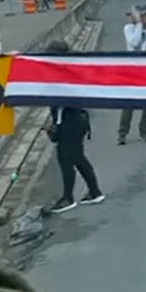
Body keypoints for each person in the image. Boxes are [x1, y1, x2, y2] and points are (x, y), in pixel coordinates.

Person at [44, 40, 104, 214]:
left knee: (65, 159)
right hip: (78, 120)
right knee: (78, 157)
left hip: (70, 121)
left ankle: (68, 198)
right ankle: (94, 192)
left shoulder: (65, 73)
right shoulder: (73, 69)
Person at [118, 5, 146, 145]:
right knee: (129, 103)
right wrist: (139, 26)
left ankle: (144, 130)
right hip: (133, 70)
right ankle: (122, 133)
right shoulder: (129, 29)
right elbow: (134, 43)